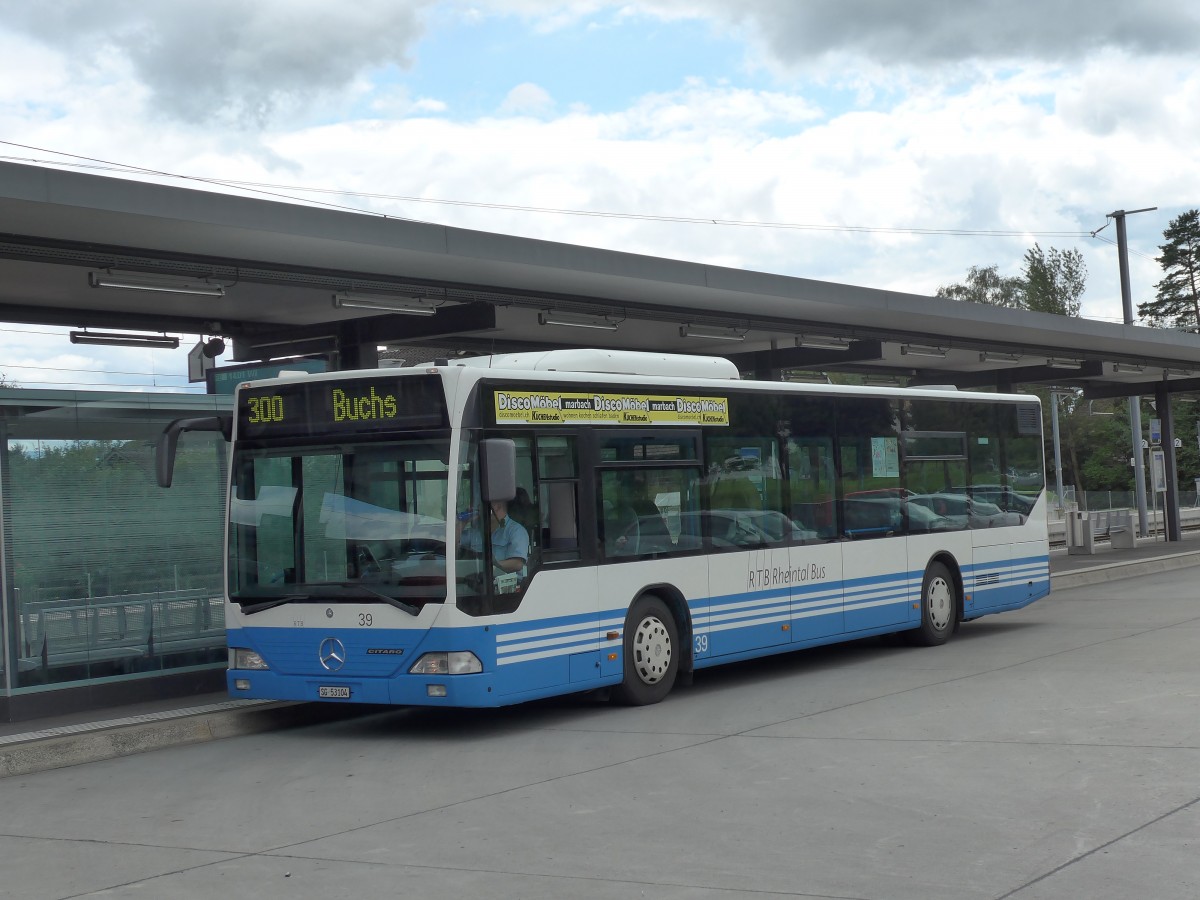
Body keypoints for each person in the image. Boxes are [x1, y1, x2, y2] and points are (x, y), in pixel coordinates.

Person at [459, 499, 529, 574]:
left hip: (507, 583)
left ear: (498, 506)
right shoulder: (476, 530)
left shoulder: (516, 530)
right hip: (478, 580)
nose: (479, 508)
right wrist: (463, 522)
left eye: (482, 505)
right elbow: (452, 546)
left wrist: (492, 565)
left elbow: (518, 564)